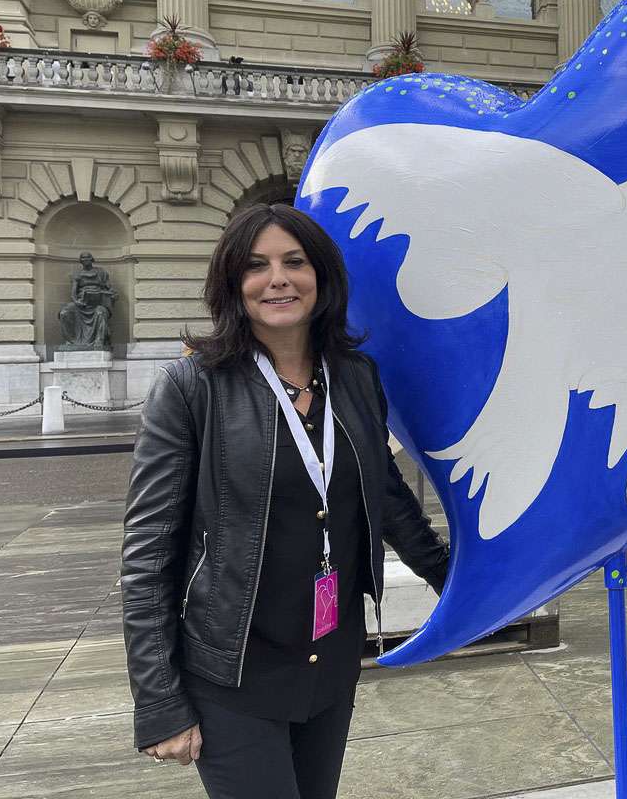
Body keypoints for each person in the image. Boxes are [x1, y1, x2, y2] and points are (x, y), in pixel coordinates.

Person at [122, 204, 449, 799]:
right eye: (256, 266)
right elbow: (148, 555)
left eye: (294, 262)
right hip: (233, 671)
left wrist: (456, 579)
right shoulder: (192, 387)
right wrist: (160, 699)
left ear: (321, 277)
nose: (277, 279)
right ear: (232, 284)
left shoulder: (354, 376)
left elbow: (384, 493)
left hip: (331, 657)